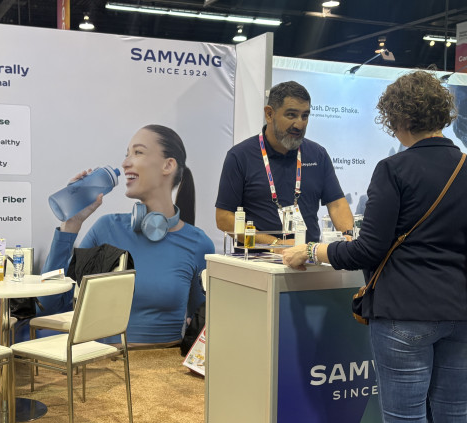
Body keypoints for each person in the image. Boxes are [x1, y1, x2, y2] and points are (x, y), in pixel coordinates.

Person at [282, 71, 467, 423]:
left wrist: (314, 250)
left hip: (403, 314)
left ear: (398, 118)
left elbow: (368, 250)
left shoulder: (394, 169)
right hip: (461, 314)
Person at [41, 124, 214, 346]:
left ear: (168, 165)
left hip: (167, 363)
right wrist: (71, 224)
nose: (125, 163)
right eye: (126, 154)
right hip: (105, 363)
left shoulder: (199, 244)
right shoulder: (106, 229)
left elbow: (202, 327)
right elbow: (49, 304)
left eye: (138, 152)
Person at [215, 81, 353, 245]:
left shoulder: (318, 155)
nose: (299, 124)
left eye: (305, 116)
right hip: (257, 257)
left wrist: (348, 236)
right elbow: (224, 218)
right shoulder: (240, 156)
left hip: (307, 256)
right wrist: (274, 244)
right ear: (269, 114)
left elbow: (337, 204)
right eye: (291, 115)